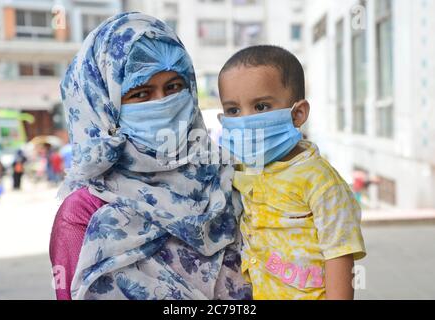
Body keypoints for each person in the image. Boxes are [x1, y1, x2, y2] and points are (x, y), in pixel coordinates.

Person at [49, 12, 251, 300]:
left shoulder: (227, 176)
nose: (164, 103)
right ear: (104, 106)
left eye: (173, 87)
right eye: (141, 94)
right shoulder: (83, 211)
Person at [218, 45, 366, 300]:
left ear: (298, 114)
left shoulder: (320, 181)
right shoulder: (243, 169)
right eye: (233, 110)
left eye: (261, 107)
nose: (244, 120)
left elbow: (339, 255)